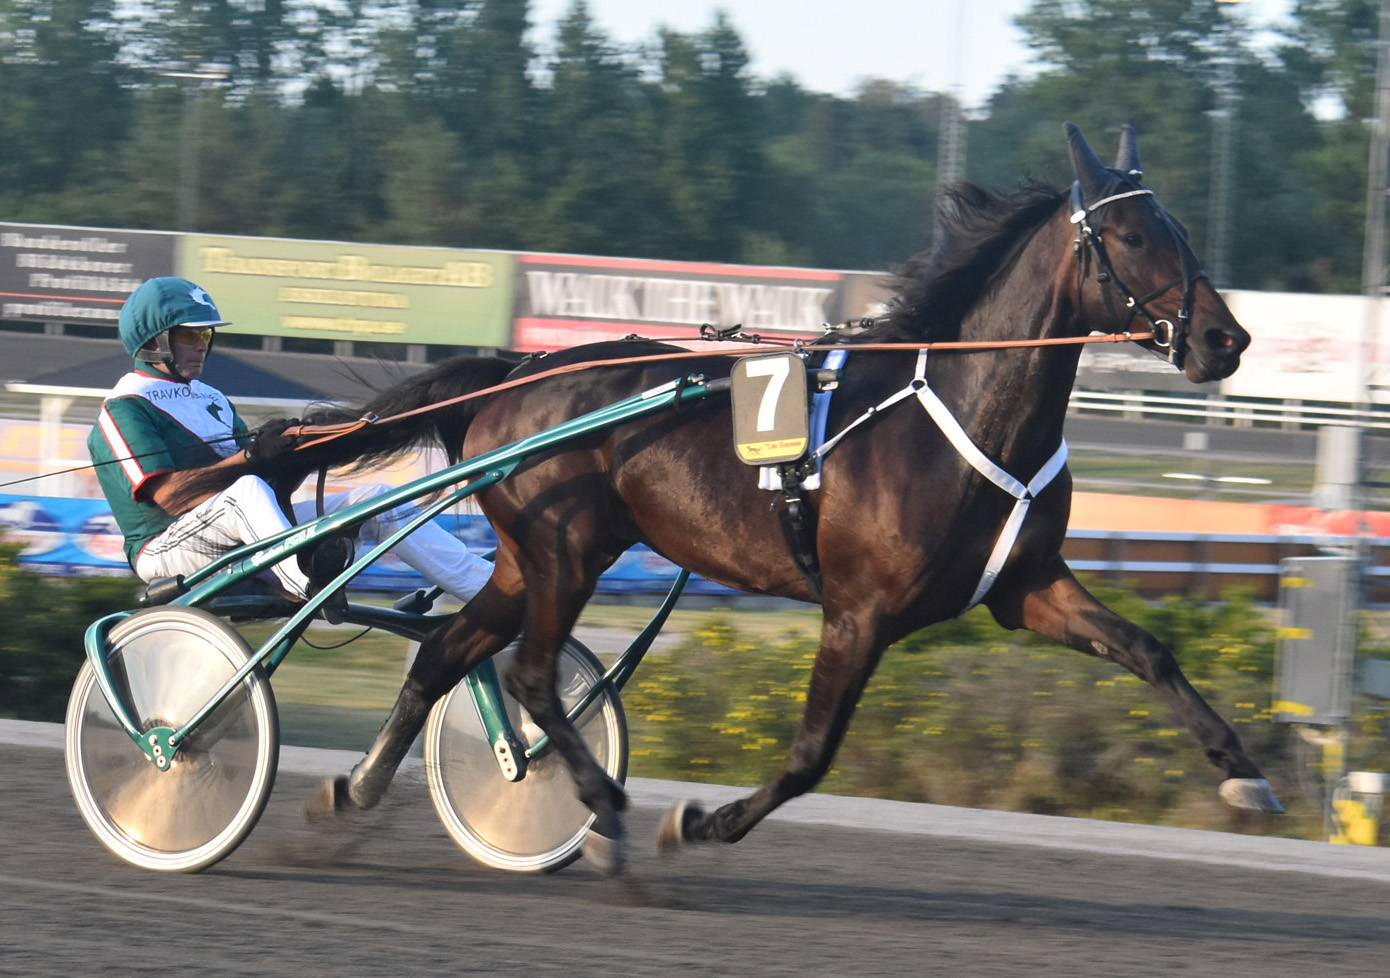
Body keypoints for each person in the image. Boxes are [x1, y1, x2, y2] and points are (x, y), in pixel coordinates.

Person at [87, 276, 493, 608]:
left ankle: (488, 589)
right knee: (245, 490)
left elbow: (262, 483)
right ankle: (307, 583)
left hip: (237, 531)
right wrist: (249, 458)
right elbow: (173, 498)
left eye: (206, 334)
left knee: (377, 497)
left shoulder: (211, 399)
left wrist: (287, 451)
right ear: (156, 341)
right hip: (163, 548)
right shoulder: (125, 406)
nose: (202, 345)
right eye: (189, 334)